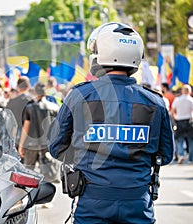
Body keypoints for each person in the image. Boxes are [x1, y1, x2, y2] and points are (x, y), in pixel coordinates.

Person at [47, 22, 174, 224]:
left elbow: (55, 147)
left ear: (100, 55)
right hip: (138, 203)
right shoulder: (155, 102)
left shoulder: (79, 95)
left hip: (92, 201)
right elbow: (166, 155)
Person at [18, 82, 59, 182]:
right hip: (47, 144)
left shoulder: (29, 107)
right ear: (45, 92)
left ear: (35, 92)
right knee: (47, 171)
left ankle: (28, 194)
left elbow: (26, 128)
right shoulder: (54, 107)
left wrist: (21, 145)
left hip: (31, 144)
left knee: (27, 173)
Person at [6, 76, 32, 150]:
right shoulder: (32, 100)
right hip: (31, 133)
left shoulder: (12, 101)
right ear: (28, 86)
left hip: (15, 131)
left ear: (18, 87)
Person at [171, 84, 193, 164]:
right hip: (189, 121)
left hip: (179, 121)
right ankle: (190, 159)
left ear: (182, 91)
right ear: (189, 91)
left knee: (180, 140)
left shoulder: (177, 99)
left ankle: (181, 155)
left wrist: (175, 118)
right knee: (191, 141)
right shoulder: (191, 100)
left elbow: (173, 111)